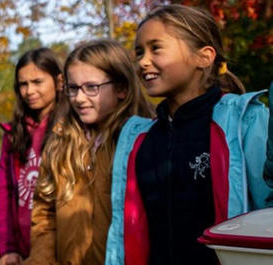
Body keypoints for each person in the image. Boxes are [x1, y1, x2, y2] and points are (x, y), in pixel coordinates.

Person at [105, 4, 273, 265]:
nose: (142, 61)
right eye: (139, 52)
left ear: (203, 57)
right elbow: (123, 230)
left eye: (156, 48)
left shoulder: (245, 122)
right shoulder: (137, 139)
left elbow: (267, 214)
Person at [24, 39, 153, 265]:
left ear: (122, 88)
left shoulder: (144, 142)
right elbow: (44, 216)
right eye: (73, 88)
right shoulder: (60, 143)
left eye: (91, 87)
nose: (80, 98)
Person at [0, 47, 63, 265]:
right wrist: (7, 248)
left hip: (61, 247)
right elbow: (3, 191)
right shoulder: (14, 134)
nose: (29, 91)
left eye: (37, 82)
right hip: (23, 250)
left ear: (59, 81)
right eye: (23, 84)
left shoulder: (72, 129)